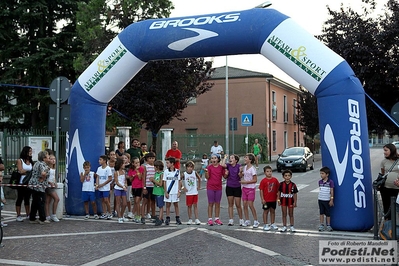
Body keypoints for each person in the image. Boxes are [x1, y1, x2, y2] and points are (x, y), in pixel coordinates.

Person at [221, 154, 244, 226]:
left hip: (237, 187)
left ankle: (241, 219)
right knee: (230, 204)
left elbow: (240, 176)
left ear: (236, 160)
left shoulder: (239, 166)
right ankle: (231, 220)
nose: (230, 159)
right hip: (229, 187)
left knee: (238, 205)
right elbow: (222, 165)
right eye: (230, 158)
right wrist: (224, 158)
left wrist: (240, 172)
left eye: (232, 158)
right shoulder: (228, 165)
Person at [28, 150, 50, 224]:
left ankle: (32, 217)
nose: (49, 157)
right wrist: (47, 170)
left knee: (35, 202)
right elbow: (43, 173)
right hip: (39, 186)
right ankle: (42, 218)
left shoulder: (36, 163)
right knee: (41, 202)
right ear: (44, 158)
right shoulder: (42, 164)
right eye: (47, 156)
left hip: (33, 185)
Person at [379, 143, 399, 220]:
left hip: (397, 188)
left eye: (386, 150)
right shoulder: (384, 162)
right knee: (387, 208)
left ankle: (395, 227)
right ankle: (388, 227)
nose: (384, 152)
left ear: (392, 150)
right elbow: (382, 173)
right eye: (384, 150)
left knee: (396, 208)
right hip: (386, 188)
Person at [240, 153, 260, 228]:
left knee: (250, 205)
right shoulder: (244, 167)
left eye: (246, 157)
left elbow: (255, 180)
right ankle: (247, 220)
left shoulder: (252, 169)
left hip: (251, 188)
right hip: (244, 188)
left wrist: (246, 182)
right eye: (245, 157)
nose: (244, 159)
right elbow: (241, 176)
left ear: (250, 160)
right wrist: (240, 172)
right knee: (244, 204)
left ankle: (256, 220)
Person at [205, 154, 224, 226]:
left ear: (218, 159)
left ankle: (217, 218)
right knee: (210, 203)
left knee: (218, 203)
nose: (213, 160)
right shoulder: (209, 167)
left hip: (218, 187)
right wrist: (206, 173)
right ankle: (210, 219)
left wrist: (226, 173)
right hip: (210, 187)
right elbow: (207, 177)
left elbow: (224, 176)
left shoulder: (221, 167)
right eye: (212, 158)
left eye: (215, 158)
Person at [259, 165, 279, 231]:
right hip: (266, 199)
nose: (269, 173)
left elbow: (278, 189)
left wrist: (278, 197)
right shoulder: (263, 181)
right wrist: (262, 199)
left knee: (273, 211)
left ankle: (272, 223)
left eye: (270, 171)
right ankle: (265, 224)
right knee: (266, 211)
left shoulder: (275, 180)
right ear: (265, 173)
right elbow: (261, 190)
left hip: (273, 199)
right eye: (267, 171)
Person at [15, 146, 33, 222]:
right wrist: (28, 172)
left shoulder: (31, 162)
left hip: (29, 183)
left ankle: (28, 214)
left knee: (27, 199)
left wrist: (27, 172)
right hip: (21, 182)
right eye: (29, 151)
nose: (31, 153)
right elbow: (21, 170)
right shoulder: (20, 161)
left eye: (31, 151)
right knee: (20, 198)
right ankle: (18, 215)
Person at [163, 157, 182, 225]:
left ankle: (177, 218)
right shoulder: (165, 172)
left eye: (168, 163)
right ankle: (167, 218)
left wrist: (179, 191)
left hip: (175, 191)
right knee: (167, 205)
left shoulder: (177, 171)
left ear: (172, 163)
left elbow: (179, 181)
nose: (166, 164)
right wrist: (165, 192)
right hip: (168, 191)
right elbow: (164, 182)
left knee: (176, 204)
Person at [182, 161, 201, 225]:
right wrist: (182, 187)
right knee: (189, 206)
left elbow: (199, 178)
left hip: (194, 192)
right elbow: (179, 180)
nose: (190, 168)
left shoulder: (194, 173)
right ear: (186, 167)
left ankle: (196, 218)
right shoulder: (184, 174)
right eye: (188, 167)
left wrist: (199, 186)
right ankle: (190, 218)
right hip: (188, 193)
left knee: (195, 205)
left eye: (191, 167)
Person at [95, 155, 113, 220]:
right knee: (102, 200)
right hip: (100, 187)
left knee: (106, 200)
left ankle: (110, 213)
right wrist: (97, 185)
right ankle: (104, 213)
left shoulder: (108, 169)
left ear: (104, 161)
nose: (99, 161)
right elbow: (97, 177)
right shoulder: (99, 169)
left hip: (106, 188)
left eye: (100, 160)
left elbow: (110, 178)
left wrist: (102, 184)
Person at [128, 157, 144, 223]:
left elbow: (140, 178)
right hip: (134, 187)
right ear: (133, 163)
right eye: (136, 163)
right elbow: (130, 180)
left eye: (138, 162)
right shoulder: (131, 170)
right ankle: (136, 215)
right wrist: (133, 176)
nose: (137, 164)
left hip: (140, 186)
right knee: (135, 201)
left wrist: (137, 171)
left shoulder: (141, 169)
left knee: (138, 201)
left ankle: (139, 215)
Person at [318, 166, 334, 232]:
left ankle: (328, 225)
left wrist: (331, 199)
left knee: (328, 213)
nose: (321, 175)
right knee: (321, 212)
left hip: (327, 199)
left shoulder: (330, 182)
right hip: (320, 199)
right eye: (320, 173)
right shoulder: (320, 182)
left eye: (322, 173)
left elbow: (332, 191)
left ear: (327, 174)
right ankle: (321, 224)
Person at [44, 154, 60, 222]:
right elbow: (46, 178)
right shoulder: (47, 168)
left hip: (52, 186)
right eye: (51, 159)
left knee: (48, 201)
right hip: (48, 186)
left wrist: (55, 182)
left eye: (54, 159)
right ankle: (53, 214)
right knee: (57, 199)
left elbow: (53, 177)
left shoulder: (54, 168)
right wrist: (50, 182)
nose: (53, 160)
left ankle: (47, 215)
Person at [142, 152, 156, 223]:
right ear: (147, 159)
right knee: (145, 200)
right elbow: (144, 177)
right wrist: (144, 187)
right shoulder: (145, 167)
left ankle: (153, 214)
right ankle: (142, 215)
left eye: (153, 158)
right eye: (150, 158)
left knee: (153, 201)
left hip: (154, 186)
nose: (151, 160)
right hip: (147, 186)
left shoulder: (155, 167)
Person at [113, 158, 129, 223]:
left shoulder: (124, 172)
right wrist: (122, 186)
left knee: (125, 203)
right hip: (118, 189)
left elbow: (125, 180)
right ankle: (119, 217)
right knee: (118, 203)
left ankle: (122, 215)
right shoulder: (116, 173)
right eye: (123, 164)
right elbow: (117, 182)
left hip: (123, 189)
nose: (124, 165)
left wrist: (125, 185)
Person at [150, 160, 165, 226]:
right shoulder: (156, 173)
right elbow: (156, 183)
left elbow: (160, 184)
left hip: (160, 192)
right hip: (156, 191)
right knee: (158, 205)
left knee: (161, 206)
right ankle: (160, 217)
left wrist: (154, 180)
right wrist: (153, 181)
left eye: (155, 167)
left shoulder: (162, 174)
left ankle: (160, 218)